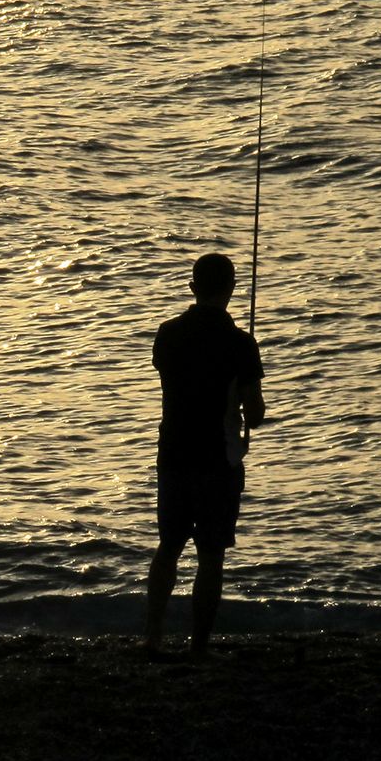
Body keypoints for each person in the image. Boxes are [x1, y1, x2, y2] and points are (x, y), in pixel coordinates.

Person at [145, 253, 265, 658]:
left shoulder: (168, 334)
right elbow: (257, 412)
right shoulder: (240, 344)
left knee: (168, 547)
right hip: (218, 459)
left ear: (193, 287)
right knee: (211, 554)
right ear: (231, 290)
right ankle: (198, 646)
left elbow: (170, 377)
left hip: (174, 453)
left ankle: (153, 639)